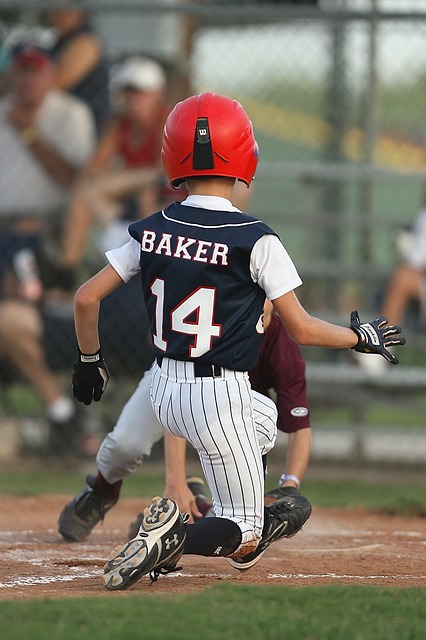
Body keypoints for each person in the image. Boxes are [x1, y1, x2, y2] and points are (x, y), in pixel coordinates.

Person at [70, 92, 405, 591]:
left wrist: (89, 360)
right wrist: (360, 336)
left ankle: (216, 488)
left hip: (163, 388)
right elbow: (303, 328)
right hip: (217, 393)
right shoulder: (256, 237)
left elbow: (84, 299)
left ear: (172, 157)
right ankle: (173, 536)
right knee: (246, 534)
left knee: (264, 419)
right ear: (244, 157)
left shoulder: (150, 229)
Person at [57, 299, 312, 541]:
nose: (259, 306)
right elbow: (182, 398)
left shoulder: (282, 346)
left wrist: (290, 485)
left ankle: (193, 513)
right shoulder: (218, 320)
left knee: (240, 501)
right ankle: (102, 490)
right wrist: (175, 481)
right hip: (170, 381)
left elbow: (299, 425)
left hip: (233, 406)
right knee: (126, 445)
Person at [0, 41, 96, 456]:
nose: (28, 78)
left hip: (50, 238)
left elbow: (76, 179)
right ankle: (62, 412)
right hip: (4, 234)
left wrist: (29, 131)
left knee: (17, 317)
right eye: (22, 69)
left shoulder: (70, 113)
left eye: (36, 69)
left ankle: (70, 413)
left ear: (51, 73)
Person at [58, 56, 183, 273]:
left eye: (141, 92)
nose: (134, 99)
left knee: (145, 192)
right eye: (128, 92)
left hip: (165, 189)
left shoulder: (169, 119)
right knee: (84, 192)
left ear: (157, 94)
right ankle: (68, 270)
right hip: (131, 191)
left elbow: (165, 168)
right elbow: (95, 167)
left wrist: (122, 174)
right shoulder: (119, 123)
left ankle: (143, 255)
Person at [45, 0, 110, 136]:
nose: (54, 17)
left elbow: (53, 84)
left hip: (85, 127)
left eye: (61, 12)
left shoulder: (86, 40)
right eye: (52, 11)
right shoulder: (61, 40)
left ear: (78, 11)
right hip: (62, 123)